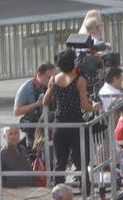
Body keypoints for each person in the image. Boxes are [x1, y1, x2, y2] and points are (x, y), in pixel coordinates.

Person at [43, 49, 101, 186]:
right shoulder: (80, 81)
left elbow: (45, 101)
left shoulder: (53, 79)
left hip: (59, 124)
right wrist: (95, 107)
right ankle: (86, 191)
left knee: (60, 161)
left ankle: (57, 190)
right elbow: (85, 107)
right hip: (76, 123)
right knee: (80, 160)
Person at [13, 62, 53, 146]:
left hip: (49, 128)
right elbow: (16, 111)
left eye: (52, 77)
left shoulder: (51, 86)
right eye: (48, 77)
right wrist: (36, 104)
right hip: (34, 131)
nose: (50, 80)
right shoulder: (26, 88)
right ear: (39, 75)